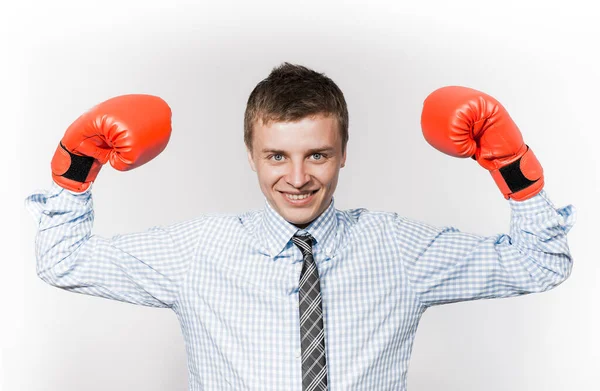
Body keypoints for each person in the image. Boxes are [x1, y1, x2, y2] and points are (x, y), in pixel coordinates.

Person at [26, 63, 575, 390]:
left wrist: (513, 170)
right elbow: (62, 260)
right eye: (276, 157)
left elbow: (541, 262)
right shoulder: (198, 250)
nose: (296, 178)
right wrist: (77, 169)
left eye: (317, 155)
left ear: (342, 154)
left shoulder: (398, 247)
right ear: (251, 155)